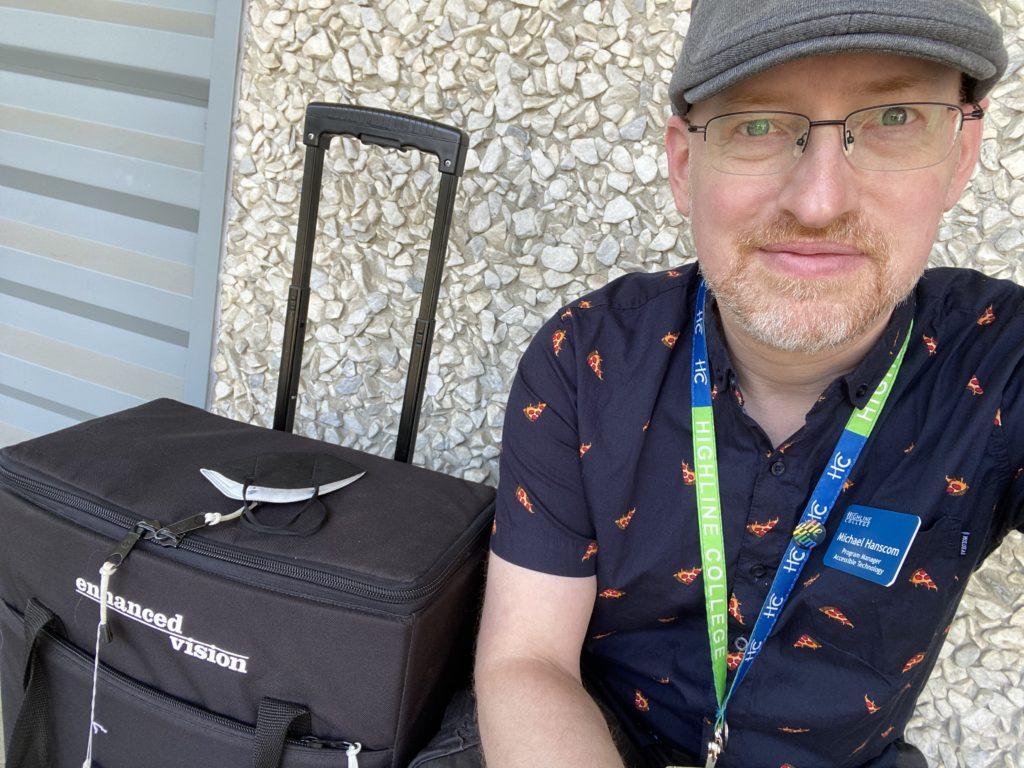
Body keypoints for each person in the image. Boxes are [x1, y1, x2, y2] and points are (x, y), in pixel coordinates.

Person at [466, 2, 1017, 768]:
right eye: (757, 124)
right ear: (685, 166)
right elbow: (529, 661)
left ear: (961, 156)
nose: (819, 202)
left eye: (894, 117)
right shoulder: (586, 357)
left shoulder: (1003, 366)